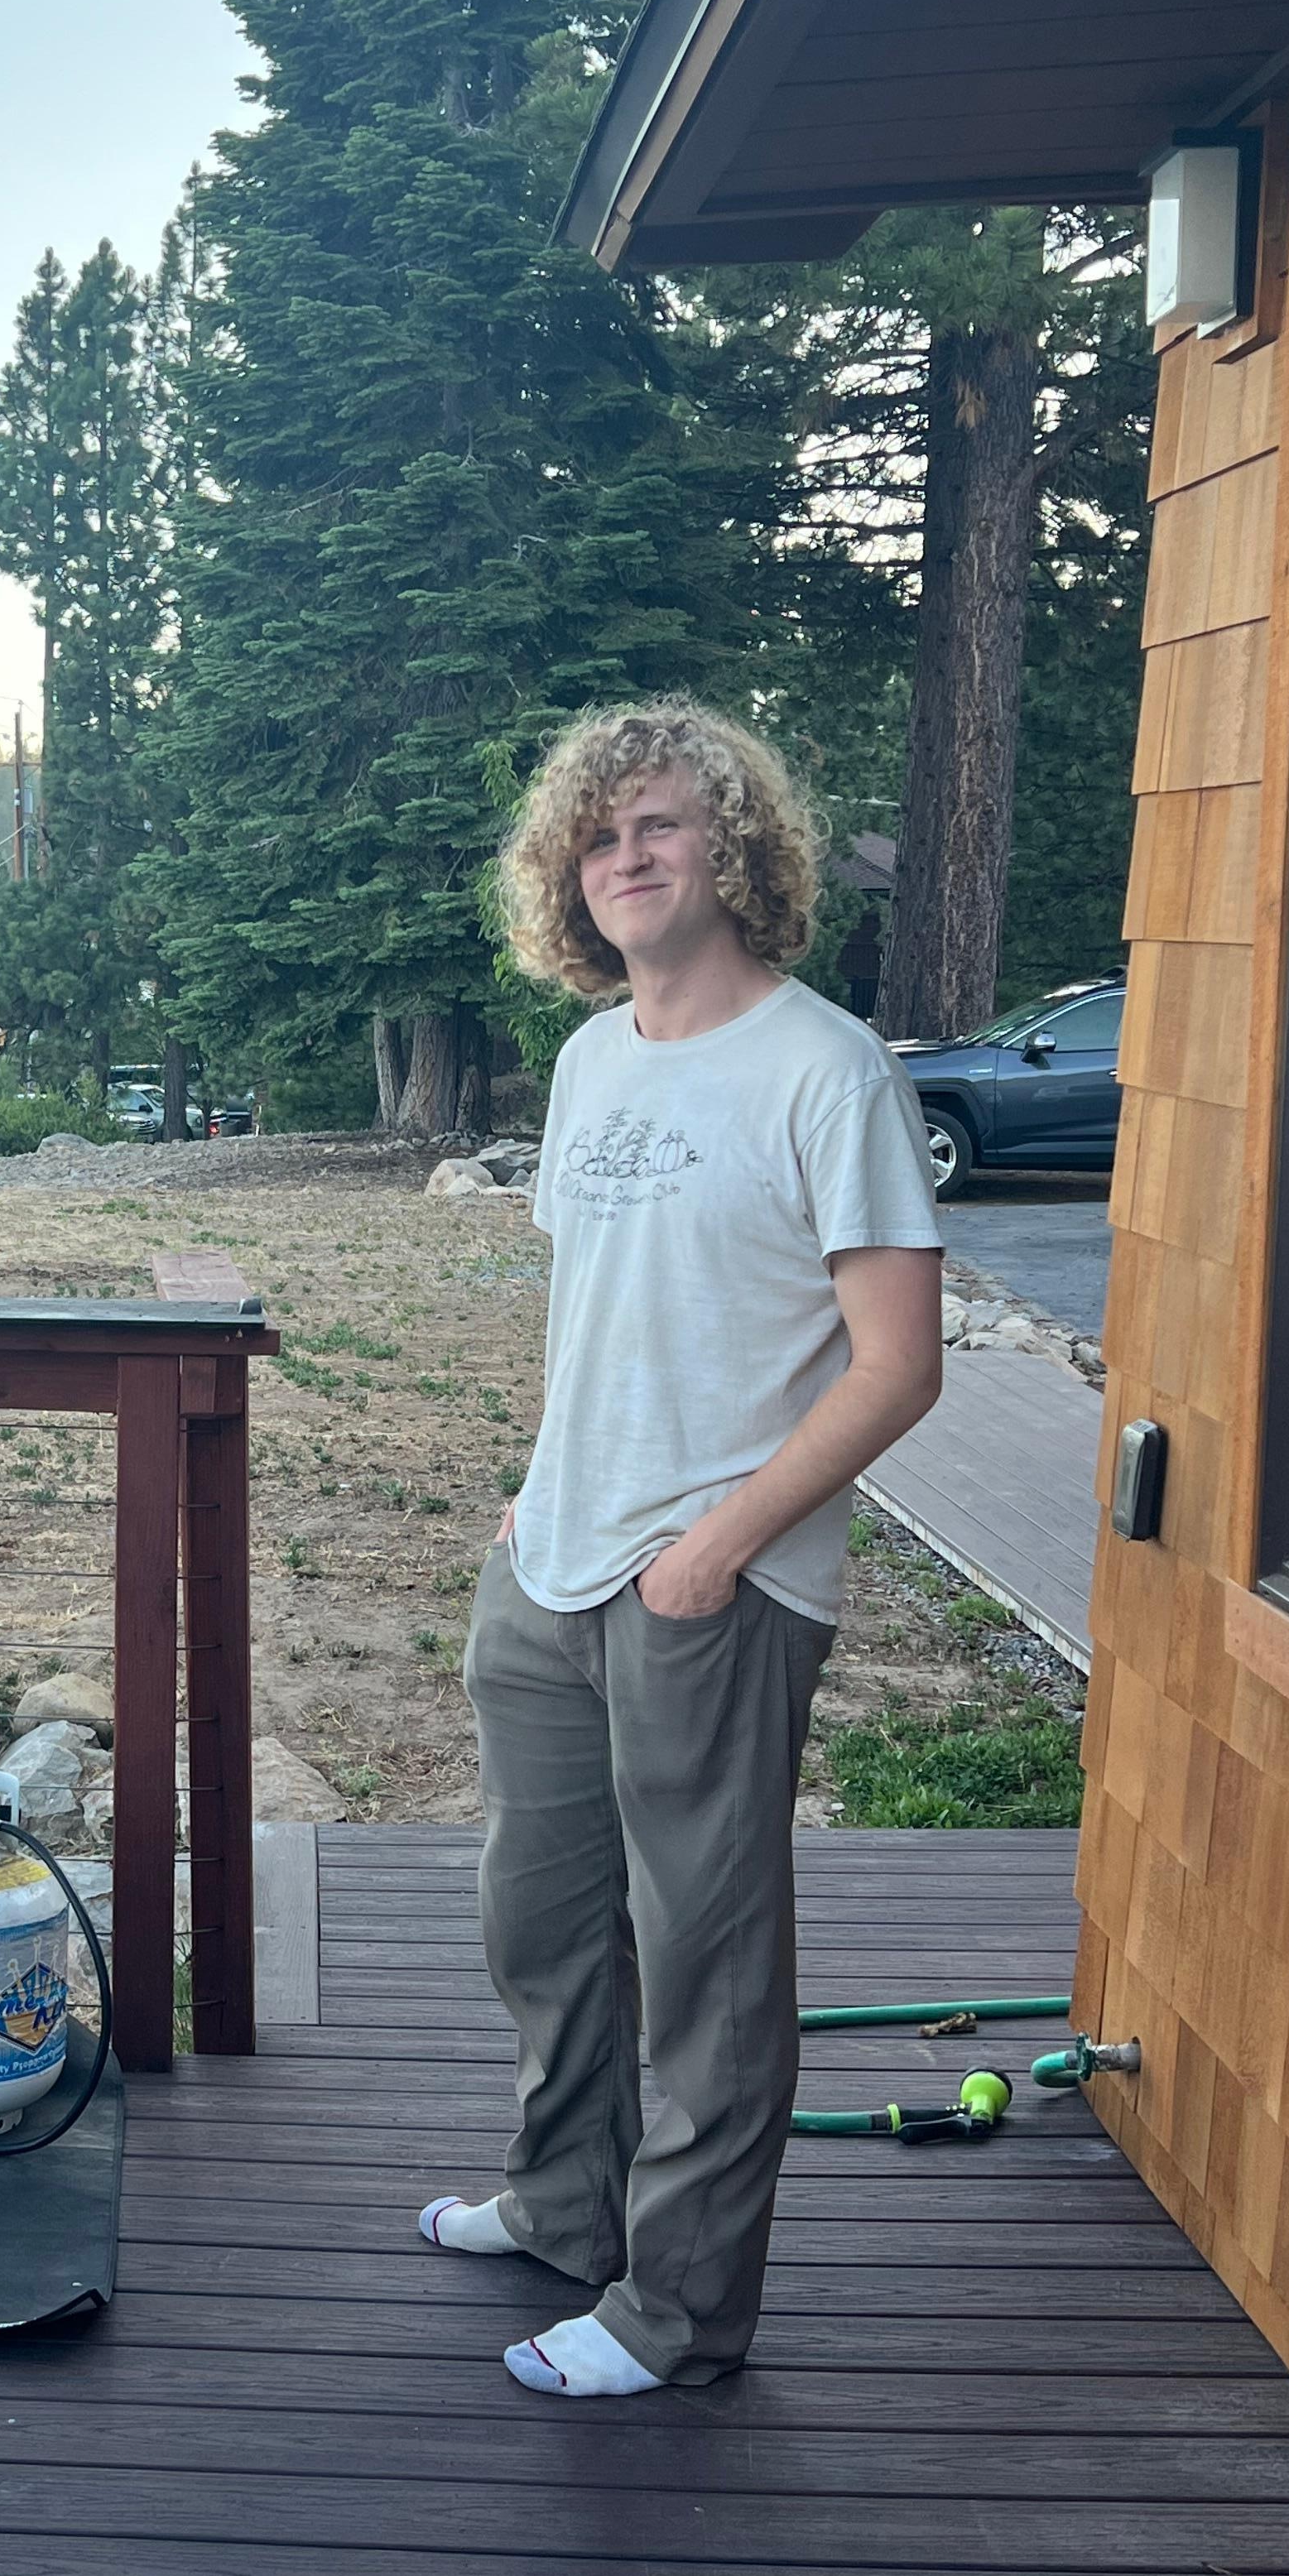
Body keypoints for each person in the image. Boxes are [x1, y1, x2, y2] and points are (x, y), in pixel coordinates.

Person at [419, 702, 943, 2396]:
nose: (626, 858)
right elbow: (609, 1309)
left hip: (716, 1584)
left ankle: (680, 2311)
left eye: (659, 826)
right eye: (599, 837)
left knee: (709, 1962)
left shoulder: (821, 1064)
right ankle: (565, 2206)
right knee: (540, 1922)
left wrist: (719, 1546)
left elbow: (899, 1363)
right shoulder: (589, 1061)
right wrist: (539, 1475)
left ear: (735, 848)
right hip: (555, 1559)